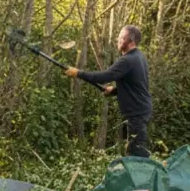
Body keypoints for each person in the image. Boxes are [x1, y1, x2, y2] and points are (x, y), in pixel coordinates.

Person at [65, 24, 152, 157]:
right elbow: (135, 84)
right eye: (119, 37)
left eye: (122, 38)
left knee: (136, 153)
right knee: (131, 148)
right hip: (139, 111)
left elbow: (104, 76)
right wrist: (115, 90)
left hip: (137, 113)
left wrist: (78, 73)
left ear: (131, 42)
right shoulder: (139, 56)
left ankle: (148, 175)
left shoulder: (127, 60)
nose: (118, 40)